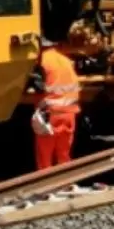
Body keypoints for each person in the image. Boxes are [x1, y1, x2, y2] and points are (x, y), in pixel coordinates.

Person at [31, 37, 81, 170]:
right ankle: (64, 183)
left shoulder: (41, 61)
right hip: (69, 113)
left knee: (45, 157)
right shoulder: (66, 60)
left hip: (50, 114)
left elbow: (36, 85)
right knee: (64, 154)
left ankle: (45, 185)